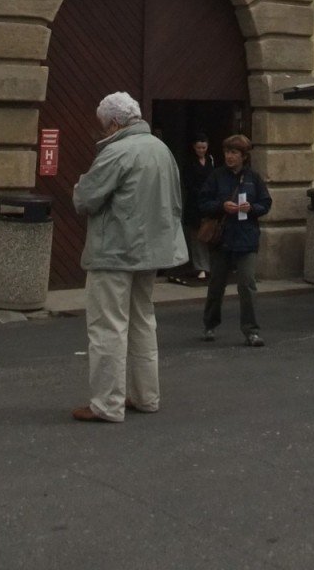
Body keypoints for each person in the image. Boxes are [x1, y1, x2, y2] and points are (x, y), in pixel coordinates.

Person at [70, 91, 187, 422]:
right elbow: (175, 202)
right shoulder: (162, 151)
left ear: (115, 123)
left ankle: (107, 404)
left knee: (108, 327)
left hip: (115, 252)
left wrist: (78, 187)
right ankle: (146, 396)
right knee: (142, 322)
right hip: (151, 252)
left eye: (104, 126)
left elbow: (86, 199)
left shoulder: (117, 152)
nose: (103, 132)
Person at [199, 134, 272, 347]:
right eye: (227, 152)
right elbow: (203, 202)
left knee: (247, 285)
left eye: (234, 153)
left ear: (244, 156)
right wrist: (222, 205)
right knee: (216, 285)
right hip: (221, 239)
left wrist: (252, 209)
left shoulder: (254, 178)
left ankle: (251, 331)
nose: (229, 157)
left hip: (246, 238)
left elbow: (266, 203)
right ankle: (209, 325)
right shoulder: (216, 176)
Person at [180, 133, 214, 282]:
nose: (201, 150)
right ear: (194, 147)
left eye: (204, 147)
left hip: (208, 203)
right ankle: (200, 267)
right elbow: (188, 183)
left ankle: (207, 266)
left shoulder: (211, 160)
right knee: (195, 236)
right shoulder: (189, 162)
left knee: (208, 234)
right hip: (194, 203)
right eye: (199, 147)